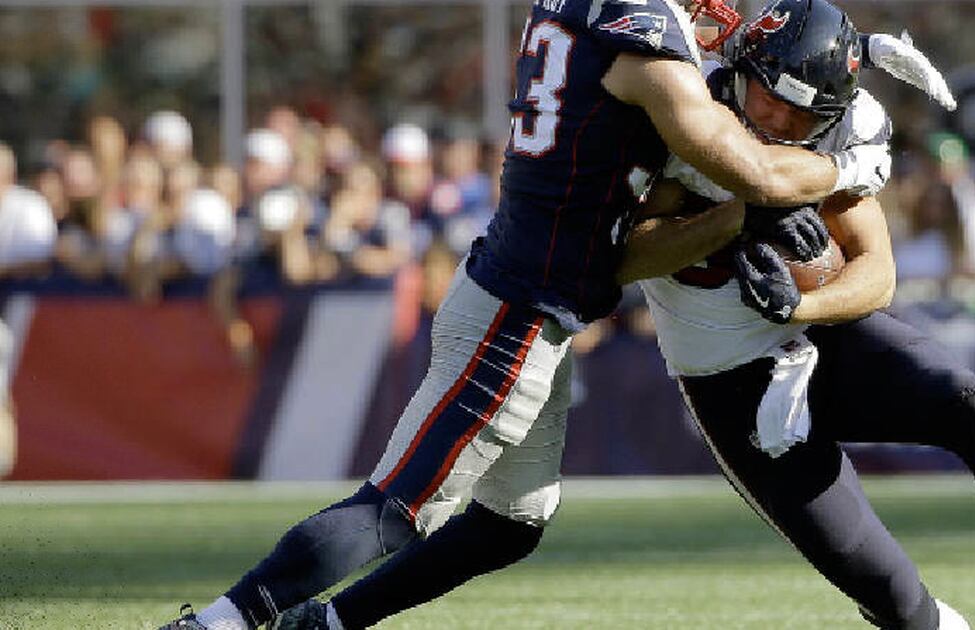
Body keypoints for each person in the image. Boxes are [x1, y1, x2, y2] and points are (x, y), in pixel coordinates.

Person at [159, 1, 894, 628]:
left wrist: (746, 206)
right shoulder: (644, 41)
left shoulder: (586, 13)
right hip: (519, 307)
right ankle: (225, 620)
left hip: (528, 288)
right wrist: (852, 162)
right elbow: (755, 169)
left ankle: (331, 620)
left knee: (513, 522)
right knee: (397, 508)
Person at [615, 1, 975, 628]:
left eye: (800, 114)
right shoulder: (687, 110)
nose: (773, 117)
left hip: (826, 337)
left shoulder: (835, 134)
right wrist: (739, 214)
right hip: (730, 381)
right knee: (900, 604)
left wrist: (806, 302)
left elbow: (877, 274)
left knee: (968, 404)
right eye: (766, 94)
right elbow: (625, 258)